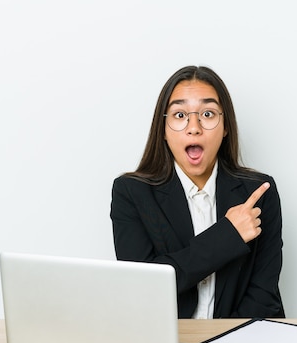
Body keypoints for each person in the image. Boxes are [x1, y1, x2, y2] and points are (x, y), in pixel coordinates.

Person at [110, 65, 285, 319]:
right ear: (164, 130)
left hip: (244, 341)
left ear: (225, 127)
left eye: (208, 113)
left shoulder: (259, 193)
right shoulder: (131, 193)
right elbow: (144, 289)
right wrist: (228, 235)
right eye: (180, 115)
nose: (194, 127)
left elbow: (263, 296)